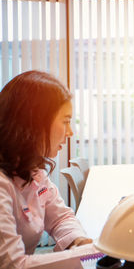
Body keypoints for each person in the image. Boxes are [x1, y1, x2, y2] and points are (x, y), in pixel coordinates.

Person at [0, 71, 92, 268]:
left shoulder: (33, 172)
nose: (70, 132)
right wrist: (90, 252)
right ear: (35, 122)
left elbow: (60, 217)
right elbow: (13, 264)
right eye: (65, 121)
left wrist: (80, 242)